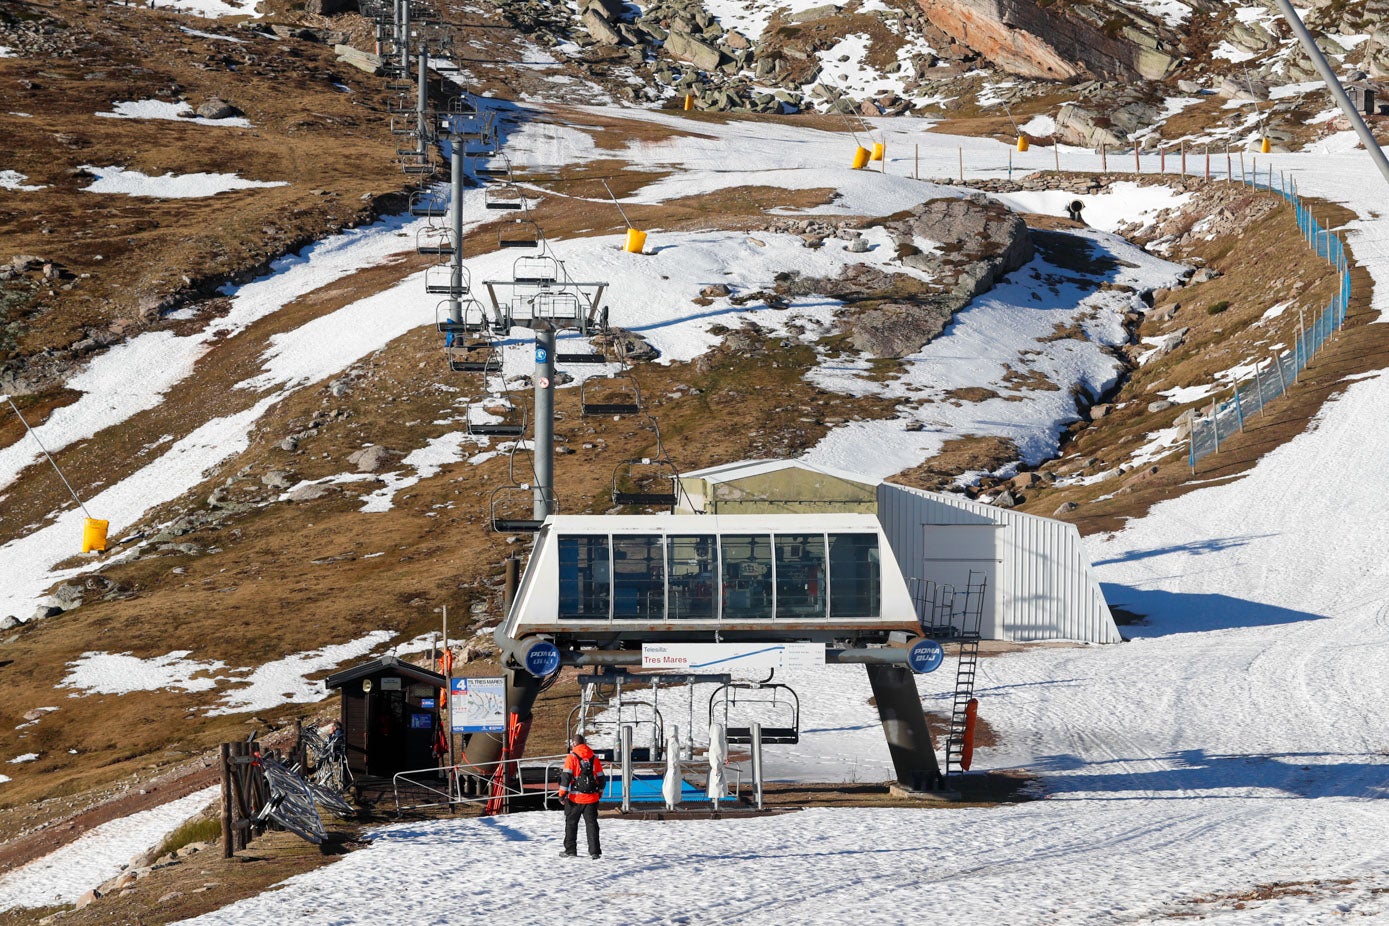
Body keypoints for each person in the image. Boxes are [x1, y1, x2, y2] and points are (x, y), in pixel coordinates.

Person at [558, 734, 604, 859]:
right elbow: (601, 778)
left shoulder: (571, 757)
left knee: (571, 824)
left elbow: (565, 778)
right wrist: (599, 793)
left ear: (574, 744)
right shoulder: (594, 758)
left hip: (575, 799)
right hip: (592, 798)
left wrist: (561, 795)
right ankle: (594, 852)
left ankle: (570, 850)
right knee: (592, 824)